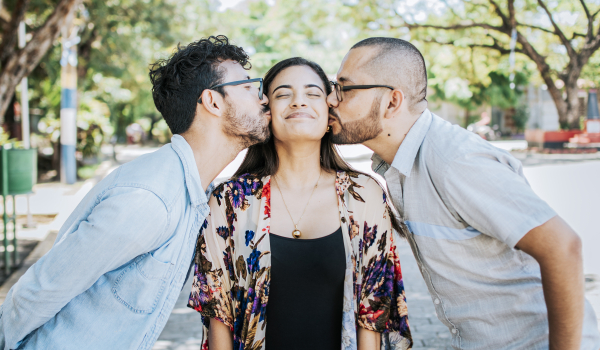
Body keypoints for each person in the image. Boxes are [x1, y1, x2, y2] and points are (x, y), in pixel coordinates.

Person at [326, 36, 600, 350]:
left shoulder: (455, 161)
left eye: (345, 88)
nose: (331, 100)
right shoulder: (398, 163)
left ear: (392, 102)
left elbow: (563, 247)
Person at [0, 35, 270, 350]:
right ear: (213, 101)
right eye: (250, 86)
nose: (263, 98)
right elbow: (41, 289)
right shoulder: (152, 198)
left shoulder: (196, 193)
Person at [187, 57, 412, 350]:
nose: (298, 102)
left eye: (313, 93)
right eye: (282, 94)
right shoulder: (230, 200)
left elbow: (373, 309)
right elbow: (218, 312)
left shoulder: (364, 194)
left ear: (329, 111)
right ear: (266, 112)